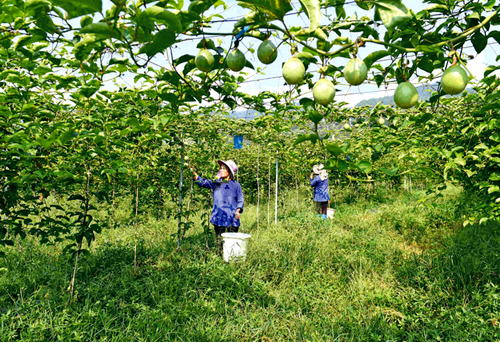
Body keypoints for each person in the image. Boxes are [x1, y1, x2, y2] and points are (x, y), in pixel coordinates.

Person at [190, 160, 244, 252]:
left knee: (233, 241)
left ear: (229, 172)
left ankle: (232, 258)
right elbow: (202, 182)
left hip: (232, 216)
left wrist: (238, 210)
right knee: (220, 240)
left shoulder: (236, 185)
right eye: (221, 168)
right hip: (219, 215)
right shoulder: (216, 183)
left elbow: (240, 199)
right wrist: (193, 172)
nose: (221, 170)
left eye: (224, 169)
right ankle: (220, 258)